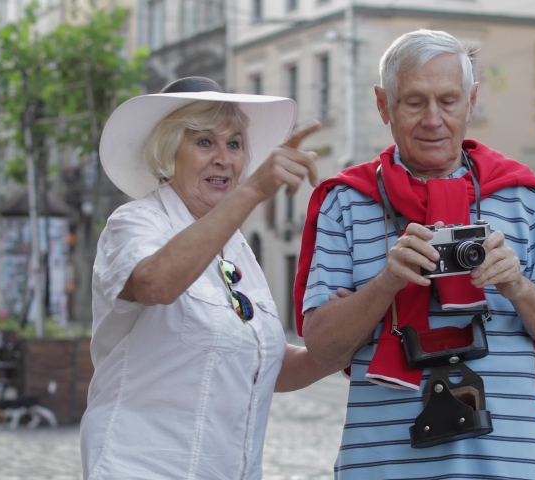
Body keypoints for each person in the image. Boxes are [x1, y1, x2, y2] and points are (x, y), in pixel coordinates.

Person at [294, 30, 535, 478]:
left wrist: (517, 286)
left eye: (449, 101)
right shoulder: (345, 201)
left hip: (507, 466)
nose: (433, 119)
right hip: (382, 466)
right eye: (415, 102)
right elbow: (321, 345)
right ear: (383, 105)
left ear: (471, 102)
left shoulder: (526, 199)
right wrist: (386, 283)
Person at [81, 77, 344, 479]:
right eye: (205, 142)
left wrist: (347, 336)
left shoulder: (236, 248)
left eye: (235, 143)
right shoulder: (135, 222)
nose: (224, 158)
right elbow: (155, 283)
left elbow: (267, 365)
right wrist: (253, 190)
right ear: (168, 153)